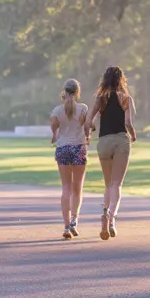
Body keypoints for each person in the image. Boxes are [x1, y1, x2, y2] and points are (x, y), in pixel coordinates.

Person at [83, 66, 136, 241]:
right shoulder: (126, 98)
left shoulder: (101, 98)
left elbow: (88, 122)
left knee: (108, 184)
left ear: (105, 79)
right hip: (121, 140)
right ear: (121, 79)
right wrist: (133, 135)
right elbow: (128, 123)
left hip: (104, 141)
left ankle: (107, 218)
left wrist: (90, 132)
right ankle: (111, 216)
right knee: (117, 185)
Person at [50, 78, 89, 240]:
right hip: (79, 148)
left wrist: (54, 135)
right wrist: (88, 135)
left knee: (66, 187)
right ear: (77, 92)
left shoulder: (57, 111)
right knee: (77, 188)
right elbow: (87, 127)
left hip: (63, 149)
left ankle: (66, 226)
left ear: (64, 92)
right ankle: (74, 222)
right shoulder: (83, 109)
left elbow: (54, 128)